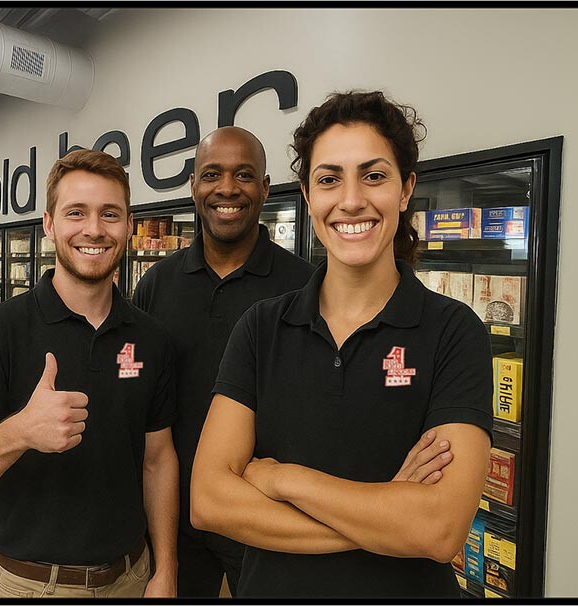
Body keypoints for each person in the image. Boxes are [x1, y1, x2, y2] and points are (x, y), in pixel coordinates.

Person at [190, 91, 493, 598]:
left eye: (373, 175)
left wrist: (285, 479)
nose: (351, 199)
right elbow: (209, 500)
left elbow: (437, 530)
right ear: (308, 196)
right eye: (329, 178)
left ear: (405, 189)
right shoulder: (261, 327)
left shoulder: (454, 331)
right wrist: (386, 516)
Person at [132, 126, 454, 597]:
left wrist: (286, 486)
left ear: (266, 189)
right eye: (212, 174)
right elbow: (144, 405)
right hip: (178, 516)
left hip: (273, 518)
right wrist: (381, 525)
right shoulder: (157, 285)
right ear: (194, 187)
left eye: (244, 175)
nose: (227, 188)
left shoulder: (300, 287)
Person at [0, 149, 179, 598]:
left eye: (110, 214)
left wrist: (166, 568)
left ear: (128, 224)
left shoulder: (150, 337)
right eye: (76, 213)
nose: (94, 230)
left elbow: (157, 460)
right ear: (49, 223)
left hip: (131, 578)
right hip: (30, 586)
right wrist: (20, 431)